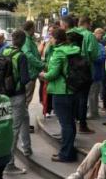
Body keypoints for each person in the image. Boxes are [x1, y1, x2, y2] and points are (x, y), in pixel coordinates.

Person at [39, 28, 81, 162]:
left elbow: (52, 75)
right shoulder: (73, 49)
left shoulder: (58, 53)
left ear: (55, 39)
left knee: (65, 124)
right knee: (70, 122)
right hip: (72, 89)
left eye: (50, 37)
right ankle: (68, 150)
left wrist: (42, 74)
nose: (49, 40)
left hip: (61, 91)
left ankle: (66, 154)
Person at [63, 15, 100, 134]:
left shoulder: (69, 33)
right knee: (83, 98)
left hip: (70, 68)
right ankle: (82, 124)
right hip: (85, 69)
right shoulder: (89, 35)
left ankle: (72, 122)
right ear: (88, 23)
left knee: (72, 96)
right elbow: (94, 55)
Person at [2, 30, 31, 174]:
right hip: (17, 95)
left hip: (5, 94)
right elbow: (25, 78)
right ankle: (9, 164)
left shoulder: (4, 52)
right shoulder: (21, 56)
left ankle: (27, 148)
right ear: (24, 41)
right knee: (14, 129)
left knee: (25, 118)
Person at [21, 20, 44, 133]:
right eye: (34, 28)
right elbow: (28, 55)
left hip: (31, 73)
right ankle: (23, 125)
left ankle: (23, 124)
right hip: (29, 74)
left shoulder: (28, 39)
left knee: (26, 100)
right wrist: (41, 64)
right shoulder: (26, 40)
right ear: (30, 29)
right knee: (25, 100)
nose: (34, 30)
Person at [88, 28, 106, 120]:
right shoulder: (98, 45)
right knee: (92, 94)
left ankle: (93, 112)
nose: (102, 37)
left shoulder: (99, 45)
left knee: (93, 94)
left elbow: (103, 57)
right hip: (94, 73)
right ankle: (93, 112)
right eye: (101, 35)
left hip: (96, 74)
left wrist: (92, 57)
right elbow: (103, 56)